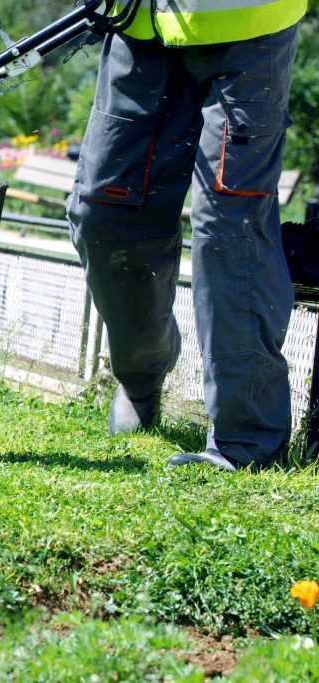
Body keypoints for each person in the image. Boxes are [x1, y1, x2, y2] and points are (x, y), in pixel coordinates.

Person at [67, 0, 308, 471]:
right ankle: (142, 372)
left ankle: (247, 439)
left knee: (229, 223)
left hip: (248, 26)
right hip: (138, 23)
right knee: (103, 210)